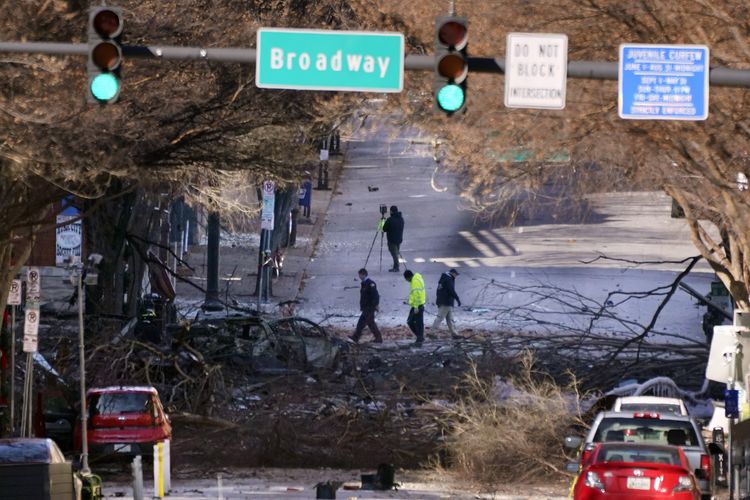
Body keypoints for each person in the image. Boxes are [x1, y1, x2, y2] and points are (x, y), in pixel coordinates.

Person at [349, 268, 383, 343]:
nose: (359, 277)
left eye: (360, 275)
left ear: (363, 274)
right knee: (366, 323)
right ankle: (356, 337)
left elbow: (376, 296)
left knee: (367, 323)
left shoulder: (370, 283)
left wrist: (376, 305)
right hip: (366, 307)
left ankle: (378, 338)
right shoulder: (364, 283)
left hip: (369, 307)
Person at [431, 269, 462, 339]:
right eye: (456, 274)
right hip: (446, 302)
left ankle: (454, 333)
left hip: (445, 301)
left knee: (450, 319)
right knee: (440, 318)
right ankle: (432, 332)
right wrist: (457, 299)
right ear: (452, 273)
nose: (456, 276)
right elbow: (451, 290)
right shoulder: (448, 279)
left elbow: (438, 291)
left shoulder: (444, 278)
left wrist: (438, 301)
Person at [403, 269, 425, 346]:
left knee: (412, 322)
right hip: (418, 305)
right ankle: (420, 337)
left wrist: (416, 307)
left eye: (406, 279)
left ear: (408, 277)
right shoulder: (416, 278)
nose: (407, 281)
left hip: (418, 306)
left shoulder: (415, 282)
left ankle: (420, 338)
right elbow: (415, 294)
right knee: (418, 323)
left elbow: (417, 295)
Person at [381, 205, 404, 272]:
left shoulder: (390, 220)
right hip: (399, 239)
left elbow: (384, 229)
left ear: (391, 211)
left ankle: (396, 267)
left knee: (394, 254)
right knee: (396, 253)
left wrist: (383, 222)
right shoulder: (401, 219)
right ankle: (395, 266)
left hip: (392, 240)